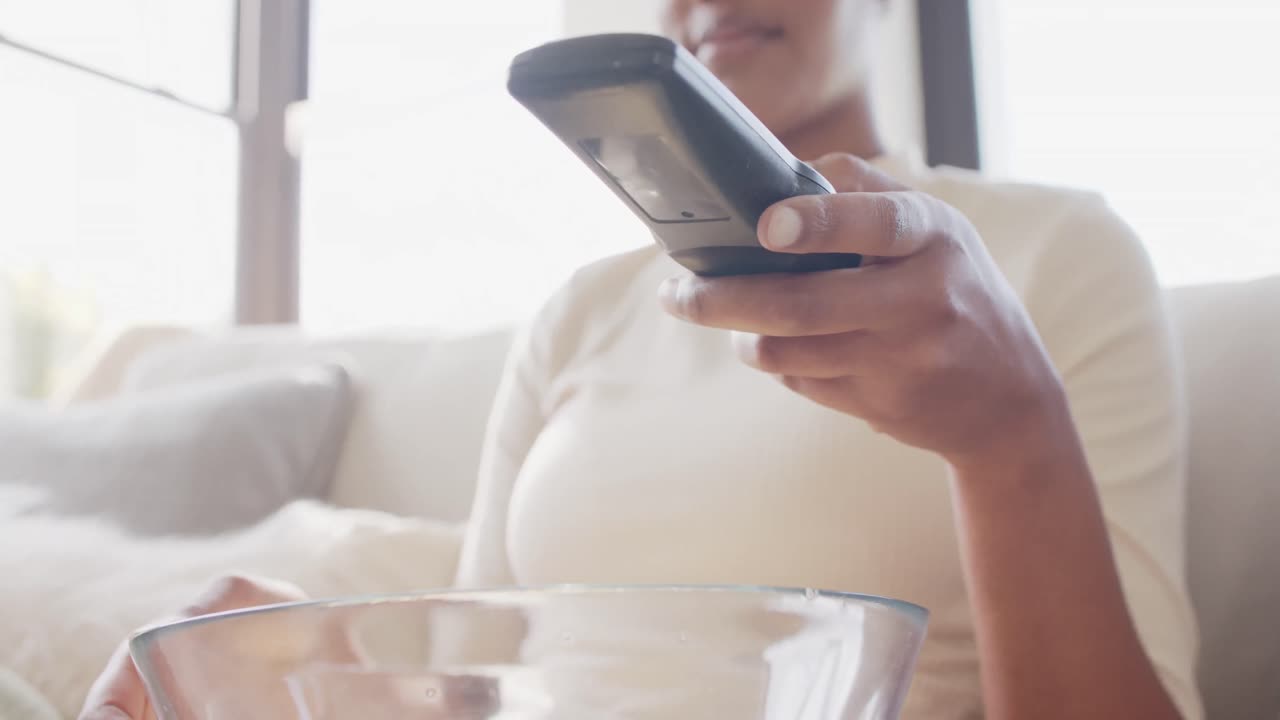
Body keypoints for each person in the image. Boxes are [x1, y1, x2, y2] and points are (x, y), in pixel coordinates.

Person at [81, 0, 1202, 718]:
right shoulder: (582, 310)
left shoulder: (1052, 252)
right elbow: (478, 680)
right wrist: (281, 648)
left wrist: (1010, 441)